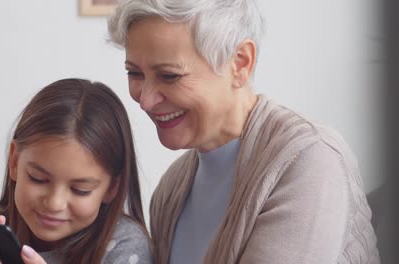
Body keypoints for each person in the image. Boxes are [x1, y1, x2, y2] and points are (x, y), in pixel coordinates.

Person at [108, 0, 380, 263]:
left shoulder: (309, 160)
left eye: (169, 76)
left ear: (239, 63)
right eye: (135, 74)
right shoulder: (169, 190)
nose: (145, 100)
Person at [0, 78, 153, 264]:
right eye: (38, 179)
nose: (54, 203)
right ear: (15, 161)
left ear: (112, 187)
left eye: (80, 190)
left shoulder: (124, 246)